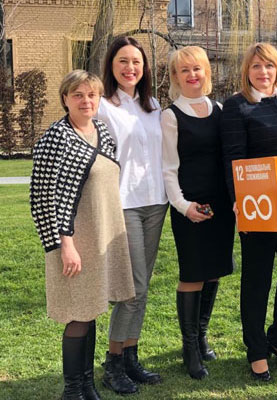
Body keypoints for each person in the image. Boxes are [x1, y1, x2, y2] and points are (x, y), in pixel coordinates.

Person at [30, 70, 136, 400]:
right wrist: (64, 244)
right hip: (72, 241)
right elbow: (42, 197)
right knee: (78, 313)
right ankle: (73, 390)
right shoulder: (55, 138)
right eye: (77, 95)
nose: (86, 101)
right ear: (65, 98)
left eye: (92, 95)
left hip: (100, 235)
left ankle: (88, 385)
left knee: (90, 310)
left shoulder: (101, 131)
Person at [220, 42, 277, 382]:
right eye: (256, 66)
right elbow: (233, 156)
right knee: (257, 279)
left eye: (269, 66)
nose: (263, 72)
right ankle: (257, 351)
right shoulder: (236, 105)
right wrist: (238, 200)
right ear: (247, 71)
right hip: (257, 204)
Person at [96, 36, 168, 395]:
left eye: (136, 62)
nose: (130, 68)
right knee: (131, 288)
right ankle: (113, 364)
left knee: (142, 286)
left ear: (144, 67)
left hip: (156, 203)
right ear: (111, 65)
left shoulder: (152, 105)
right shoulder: (102, 106)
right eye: (123, 61)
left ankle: (130, 356)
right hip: (124, 204)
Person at [161, 46, 235, 380]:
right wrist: (183, 206)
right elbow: (168, 169)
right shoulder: (171, 116)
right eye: (184, 70)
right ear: (176, 77)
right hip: (189, 206)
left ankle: (202, 336)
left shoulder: (219, 109)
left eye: (197, 69)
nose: (192, 75)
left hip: (220, 206)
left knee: (214, 272)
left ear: (207, 72)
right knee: (192, 275)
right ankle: (189, 347)